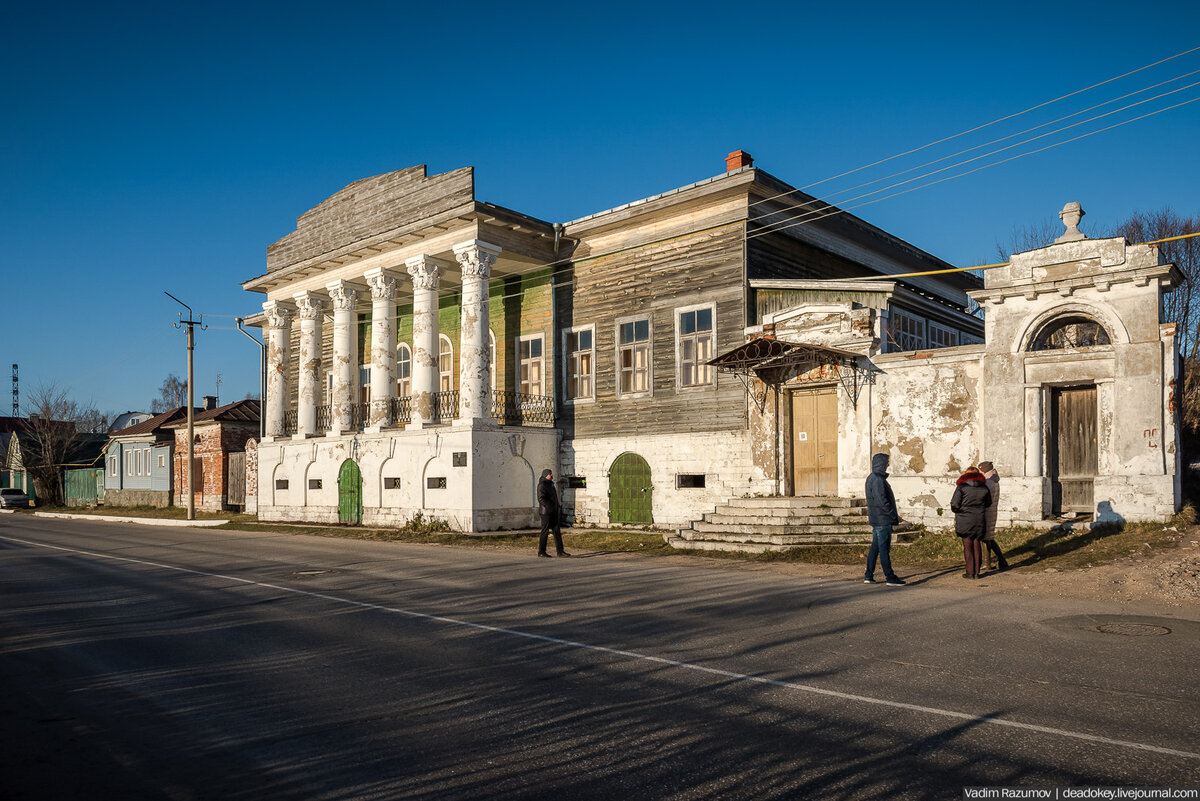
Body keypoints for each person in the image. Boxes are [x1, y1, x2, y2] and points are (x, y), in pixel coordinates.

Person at [864, 453, 906, 586]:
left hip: (877, 518)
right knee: (883, 549)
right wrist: (893, 515)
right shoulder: (877, 479)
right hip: (882, 519)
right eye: (887, 461)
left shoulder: (873, 478)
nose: (888, 464)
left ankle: (868, 575)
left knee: (875, 548)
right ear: (881, 463)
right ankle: (890, 577)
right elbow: (882, 500)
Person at [951, 466, 991, 579]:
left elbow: (955, 504)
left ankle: (970, 571)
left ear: (966, 474)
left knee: (967, 544)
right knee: (977, 543)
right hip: (979, 518)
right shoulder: (984, 488)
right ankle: (977, 572)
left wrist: (959, 511)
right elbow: (988, 503)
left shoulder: (961, 487)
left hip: (964, 519)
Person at [978, 460, 1009, 572]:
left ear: (985, 471)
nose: (979, 473)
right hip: (991, 512)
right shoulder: (993, 480)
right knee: (989, 537)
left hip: (986, 512)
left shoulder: (988, 483)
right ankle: (1002, 561)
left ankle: (986, 564)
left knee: (985, 538)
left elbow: (983, 498)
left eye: (980, 471)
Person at [536, 468, 570, 558]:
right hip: (546, 512)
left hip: (554, 511)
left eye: (551, 473)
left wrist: (557, 506)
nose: (552, 475)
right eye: (550, 474)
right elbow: (541, 499)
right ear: (546, 475)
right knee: (545, 531)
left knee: (557, 531)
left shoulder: (550, 484)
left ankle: (560, 551)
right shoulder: (542, 485)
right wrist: (550, 506)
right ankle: (541, 551)